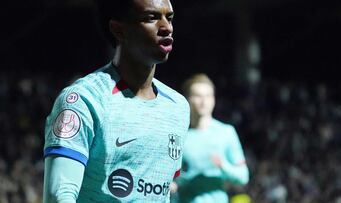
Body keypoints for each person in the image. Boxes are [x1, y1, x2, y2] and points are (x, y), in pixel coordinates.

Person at [42, 0, 190, 202]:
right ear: (118, 29)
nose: (166, 27)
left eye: (169, 18)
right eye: (151, 18)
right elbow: (59, 195)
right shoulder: (83, 100)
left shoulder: (178, 107)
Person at [171, 73, 249, 203]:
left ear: (214, 99)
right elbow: (173, 178)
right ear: (188, 99)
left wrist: (223, 165)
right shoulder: (179, 135)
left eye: (208, 96)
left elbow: (243, 176)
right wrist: (174, 185)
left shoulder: (226, 132)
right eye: (198, 96)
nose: (204, 101)